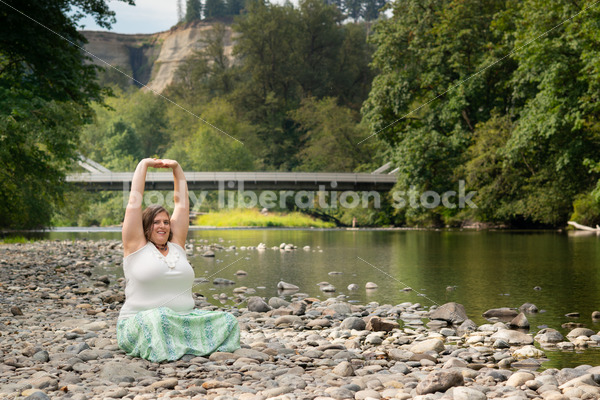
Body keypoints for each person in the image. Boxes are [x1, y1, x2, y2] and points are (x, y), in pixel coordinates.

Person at [116, 158, 240, 362]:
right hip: (140, 323)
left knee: (227, 320)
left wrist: (176, 168)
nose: (162, 226)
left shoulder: (177, 246)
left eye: (166, 222)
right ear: (146, 226)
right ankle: (187, 346)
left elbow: (182, 204)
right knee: (159, 319)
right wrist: (143, 165)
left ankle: (180, 347)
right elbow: (133, 203)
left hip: (182, 320)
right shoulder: (135, 246)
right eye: (156, 222)